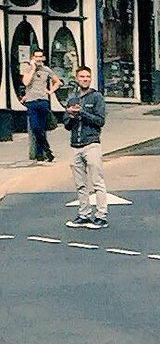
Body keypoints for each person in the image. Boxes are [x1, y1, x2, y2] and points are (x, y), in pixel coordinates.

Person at [62, 65, 109, 230]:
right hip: (75, 145)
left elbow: (100, 121)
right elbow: (66, 124)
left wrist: (82, 113)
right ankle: (84, 214)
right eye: (82, 77)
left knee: (97, 182)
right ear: (76, 78)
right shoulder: (72, 98)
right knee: (80, 184)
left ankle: (101, 215)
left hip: (92, 144)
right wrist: (71, 115)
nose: (85, 79)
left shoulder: (96, 97)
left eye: (87, 77)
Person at [20, 47, 61, 163]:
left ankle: (41, 154)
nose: (38, 59)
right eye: (36, 56)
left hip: (43, 100)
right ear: (32, 57)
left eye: (40, 57)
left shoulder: (46, 69)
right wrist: (33, 68)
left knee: (41, 128)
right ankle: (47, 150)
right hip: (31, 101)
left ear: (43, 58)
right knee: (35, 127)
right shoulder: (27, 68)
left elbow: (57, 82)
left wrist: (50, 91)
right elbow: (26, 82)